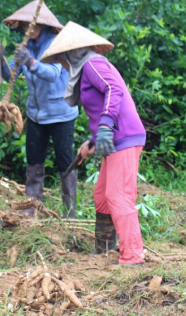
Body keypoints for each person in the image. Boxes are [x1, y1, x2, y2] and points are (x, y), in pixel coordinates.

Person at [41, 21, 147, 265]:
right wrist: (93, 140)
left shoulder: (92, 63)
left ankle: (132, 255)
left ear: (71, 53)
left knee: (118, 195)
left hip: (123, 136)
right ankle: (105, 250)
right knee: (101, 195)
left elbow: (114, 89)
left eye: (62, 59)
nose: (63, 65)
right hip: (113, 137)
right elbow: (102, 107)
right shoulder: (87, 67)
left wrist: (106, 127)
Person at [1, 0, 79, 218]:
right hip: (36, 114)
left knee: (66, 163)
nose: (29, 28)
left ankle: (70, 213)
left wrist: (30, 62)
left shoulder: (55, 43)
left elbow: (52, 73)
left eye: (33, 24)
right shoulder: (26, 47)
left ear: (44, 25)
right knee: (34, 161)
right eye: (26, 24)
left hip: (61, 114)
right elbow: (12, 75)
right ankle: (30, 210)